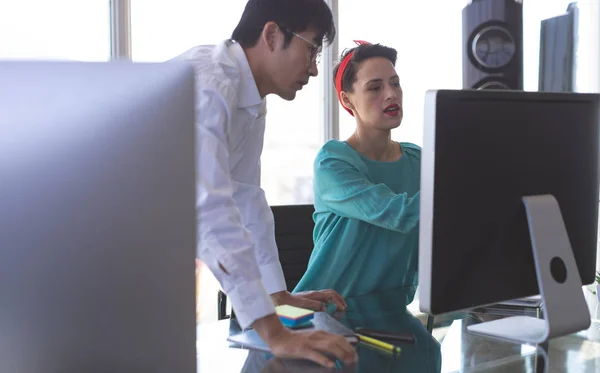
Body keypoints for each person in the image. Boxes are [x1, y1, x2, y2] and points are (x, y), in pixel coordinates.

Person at [174, 0, 357, 367]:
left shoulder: (250, 100)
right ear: (272, 34)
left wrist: (277, 296)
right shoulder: (209, 86)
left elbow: (247, 200)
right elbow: (209, 211)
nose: (314, 69)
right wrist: (274, 333)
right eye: (311, 49)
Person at [294, 42, 421, 306]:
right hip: (321, 314)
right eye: (375, 87)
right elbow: (400, 214)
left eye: (395, 83)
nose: (391, 94)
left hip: (390, 315)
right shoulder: (332, 162)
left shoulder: (418, 159)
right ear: (346, 99)